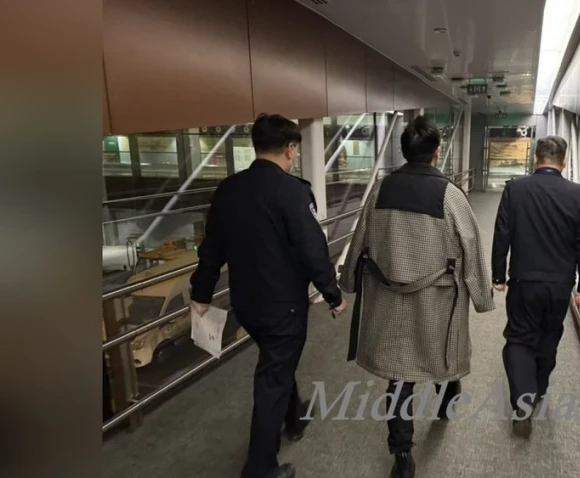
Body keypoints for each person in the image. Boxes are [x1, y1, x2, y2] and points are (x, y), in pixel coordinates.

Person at [189, 113, 347, 478]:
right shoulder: (293, 191)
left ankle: (295, 416)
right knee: (272, 379)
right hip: (284, 308)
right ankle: (260, 468)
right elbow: (312, 249)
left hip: (246, 305)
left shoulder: (228, 190)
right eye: (295, 149)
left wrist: (202, 294)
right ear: (290, 149)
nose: (296, 155)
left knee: (278, 363)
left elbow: (211, 249)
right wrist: (333, 294)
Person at [340, 116, 495, 478]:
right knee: (440, 353)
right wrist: (482, 297)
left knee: (399, 376)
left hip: (389, 300)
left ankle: (403, 455)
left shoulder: (381, 190)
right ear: (436, 152)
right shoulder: (451, 195)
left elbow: (359, 240)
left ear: (404, 151)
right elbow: (472, 247)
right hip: (437, 301)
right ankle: (447, 395)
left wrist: (347, 282)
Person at [491, 135, 580, 438]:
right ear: (564, 162)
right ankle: (538, 389)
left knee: (519, 338)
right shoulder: (579, 196)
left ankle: (522, 403)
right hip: (560, 284)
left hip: (524, 281)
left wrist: (498, 275)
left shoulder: (515, 189)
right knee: (549, 335)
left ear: (536, 160)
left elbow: (502, 234)